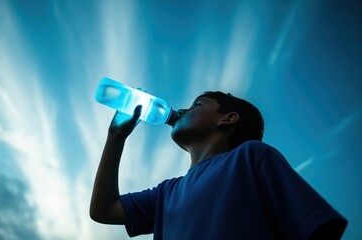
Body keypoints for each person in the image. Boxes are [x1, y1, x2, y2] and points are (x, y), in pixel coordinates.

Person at [90, 91, 348, 239]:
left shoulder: (251, 157)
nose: (182, 109)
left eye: (197, 104)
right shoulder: (166, 192)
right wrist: (115, 138)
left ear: (228, 119)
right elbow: (104, 210)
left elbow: (317, 230)